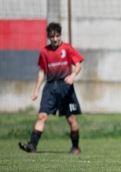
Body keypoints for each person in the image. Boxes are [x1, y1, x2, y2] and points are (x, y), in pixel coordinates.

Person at [19, 22, 84, 154]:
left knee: (70, 118)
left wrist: (73, 75)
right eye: (52, 37)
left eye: (57, 36)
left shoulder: (67, 48)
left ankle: (76, 147)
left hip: (65, 87)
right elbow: (42, 71)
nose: (55, 39)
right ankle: (32, 145)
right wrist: (36, 90)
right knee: (42, 115)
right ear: (48, 36)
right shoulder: (44, 51)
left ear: (60, 35)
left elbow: (78, 65)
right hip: (50, 88)